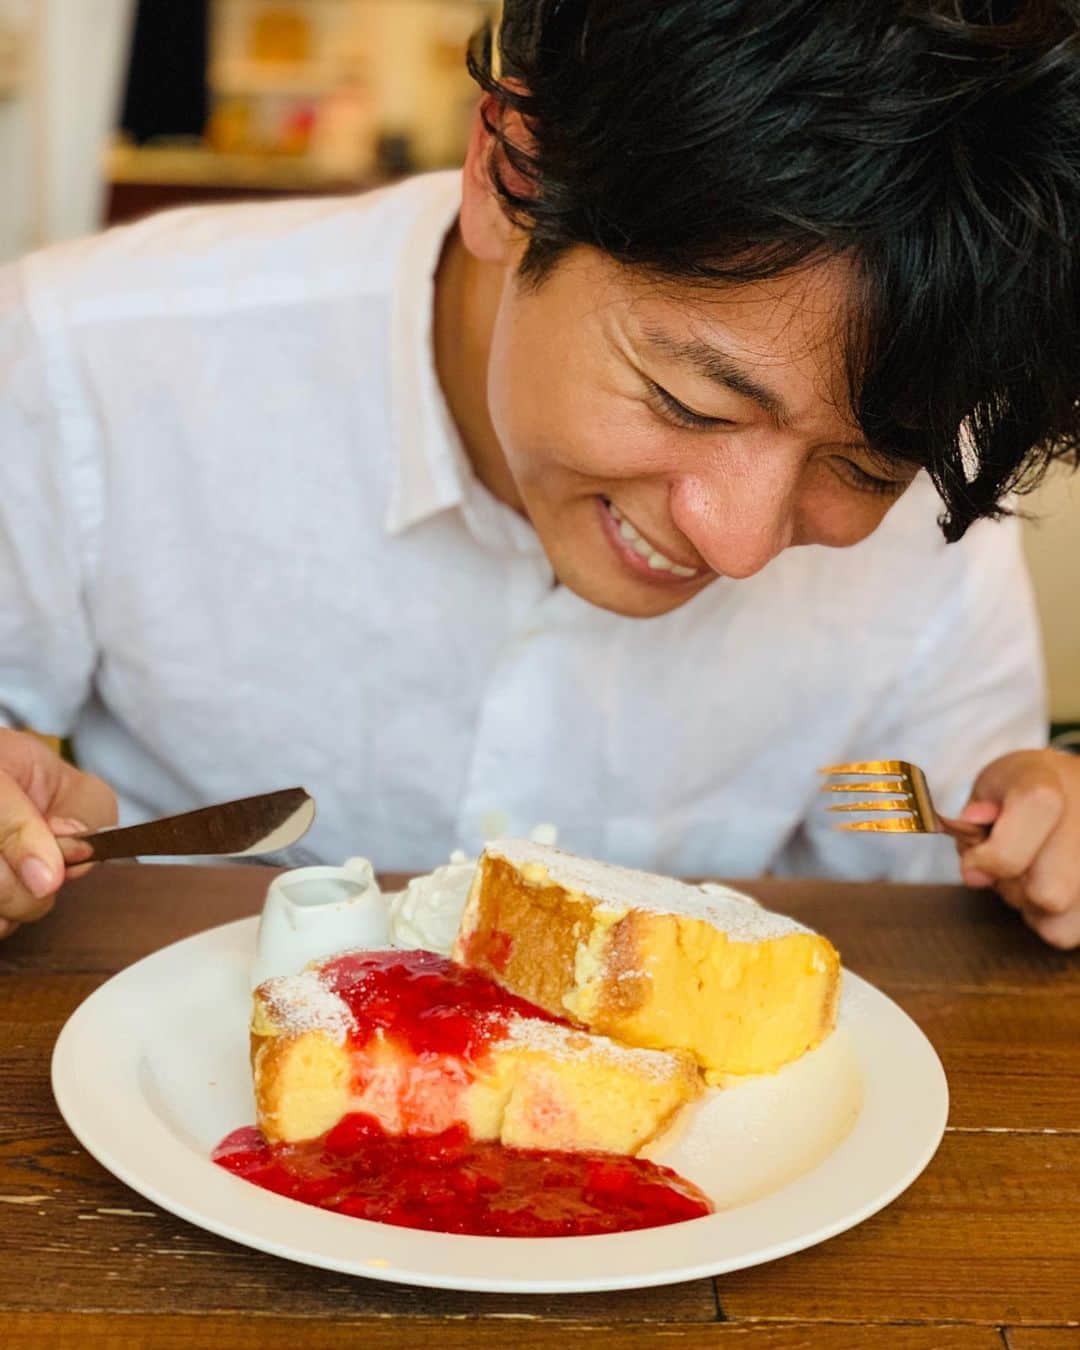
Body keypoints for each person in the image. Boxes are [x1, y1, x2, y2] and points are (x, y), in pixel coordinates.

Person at [1, 0, 1079, 948]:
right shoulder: (91, 359)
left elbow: (935, 897)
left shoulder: (944, 487)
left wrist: (1037, 839)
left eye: (865, 465)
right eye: (691, 404)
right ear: (508, 179)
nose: (740, 542)